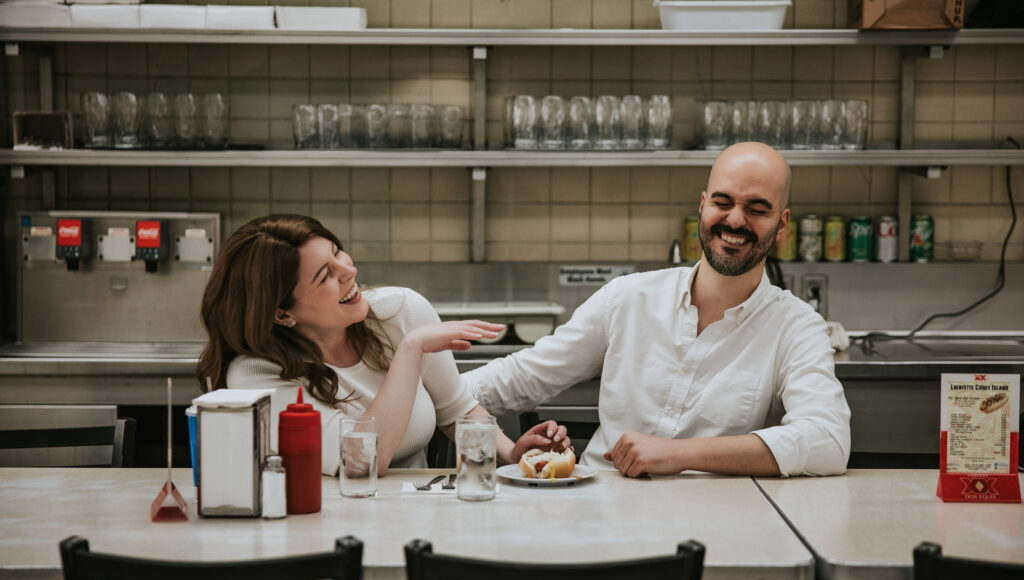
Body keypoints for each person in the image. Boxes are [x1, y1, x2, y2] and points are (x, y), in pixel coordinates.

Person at [464, 142, 851, 477]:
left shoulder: (796, 327)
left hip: (717, 526)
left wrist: (680, 455)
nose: (735, 219)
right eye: (722, 201)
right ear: (702, 205)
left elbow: (828, 440)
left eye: (757, 208)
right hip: (600, 514)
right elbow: (513, 379)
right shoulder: (628, 299)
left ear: (781, 225)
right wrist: (421, 385)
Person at [197, 214, 568, 476]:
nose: (350, 271)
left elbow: (458, 412)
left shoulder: (401, 311)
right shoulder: (256, 376)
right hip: (320, 527)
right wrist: (410, 351)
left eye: (338, 253)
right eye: (326, 275)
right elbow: (359, 463)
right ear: (282, 314)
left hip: (418, 514)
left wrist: (512, 453)